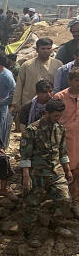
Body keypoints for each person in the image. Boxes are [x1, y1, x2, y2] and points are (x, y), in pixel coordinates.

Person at [20, 97, 73, 236]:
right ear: (47, 113)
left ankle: (56, 225)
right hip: (37, 174)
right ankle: (29, 232)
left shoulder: (60, 128)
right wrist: (26, 177)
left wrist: (67, 170)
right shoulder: (31, 130)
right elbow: (25, 156)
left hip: (56, 172)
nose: (58, 118)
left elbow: (63, 152)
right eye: (56, 116)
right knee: (32, 205)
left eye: (60, 116)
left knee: (65, 199)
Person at [53, 67, 79, 204]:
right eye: (76, 80)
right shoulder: (60, 97)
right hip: (65, 141)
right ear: (69, 80)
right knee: (66, 169)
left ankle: (75, 200)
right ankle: (63, 200)